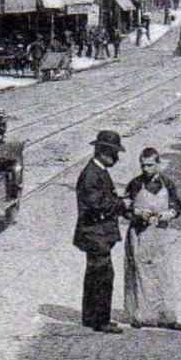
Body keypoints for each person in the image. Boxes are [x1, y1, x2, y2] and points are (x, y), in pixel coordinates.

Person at [123, 147, 181, 330]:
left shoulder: (168, 184)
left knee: (162, 272)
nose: (146, 169)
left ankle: (166, 317)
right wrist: (137, 213)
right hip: (140, 234)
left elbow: (177, 206)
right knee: (140, 272)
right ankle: (140, 316)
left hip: (160, 233)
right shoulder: (134, 184)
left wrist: (169, 214)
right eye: (143, 165)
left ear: (158, 164)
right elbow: (125, 209)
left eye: (150, 165)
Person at [73, 129, 129, 333]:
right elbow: (97, 204)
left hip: (96, 232)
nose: (116, 158)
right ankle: (100, 320)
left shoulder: (98, 171)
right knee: (103, 276)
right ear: (103, 152)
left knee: (94, 275)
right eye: (114, 153)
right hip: (94, 232)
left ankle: (90, 317)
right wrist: (121, 203)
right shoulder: (91, 174)